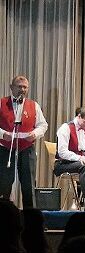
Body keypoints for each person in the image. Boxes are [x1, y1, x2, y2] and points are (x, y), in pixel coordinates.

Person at [0, 75, 48, 208]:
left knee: (29, 185)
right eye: (19, 86)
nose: (22, 89)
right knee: (4, 184)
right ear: (11, 88)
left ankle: (31, 220)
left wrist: (34, 134)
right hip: (5, 149)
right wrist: (3, 134)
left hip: (26, 148)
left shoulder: (34, 105)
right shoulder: (1, 103)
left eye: (25, 87)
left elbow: (43, 125)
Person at [53, 106, 85, 210]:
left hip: (80, 161)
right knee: (84, 166)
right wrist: (79, 158)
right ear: (79, 116)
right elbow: (62, 152)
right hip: (62, 163)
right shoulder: (65, 128)